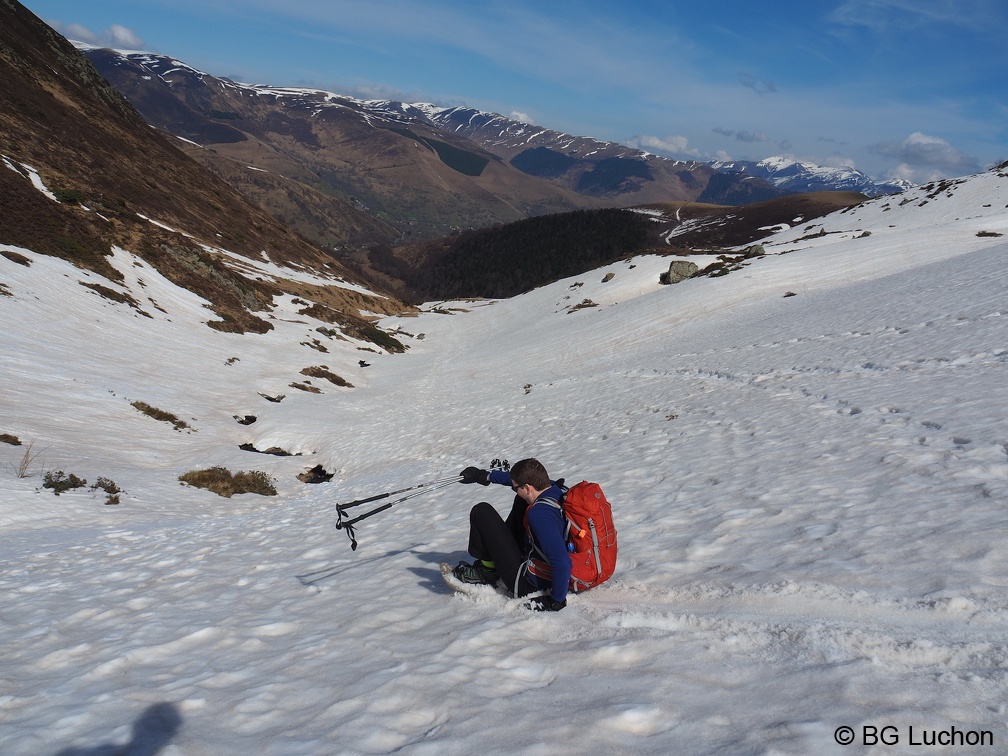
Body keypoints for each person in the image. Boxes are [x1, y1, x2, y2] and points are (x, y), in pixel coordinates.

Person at [454, 458, 570, 612]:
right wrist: (484, 476)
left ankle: (488, 572)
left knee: (481, 512)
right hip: (540, 566)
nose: (514, 489)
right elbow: (515, 481)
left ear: (528, 487)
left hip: (525, 583)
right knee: (521, 501)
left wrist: (556, 601)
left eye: (516, 488)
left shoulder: (540, 515)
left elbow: (562, 562)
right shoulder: (555, 489)